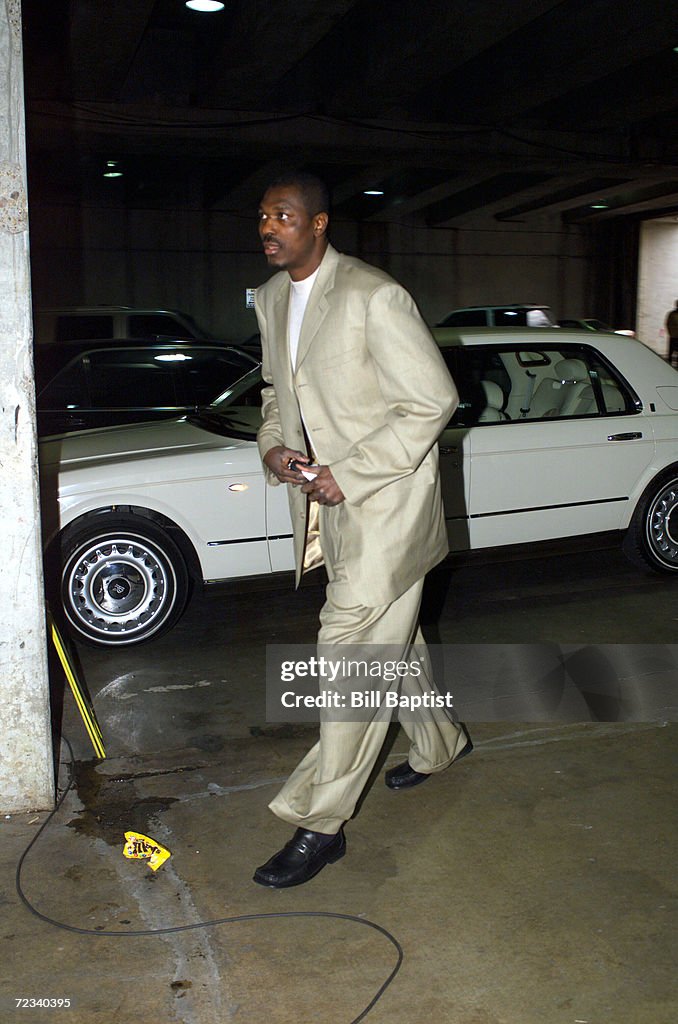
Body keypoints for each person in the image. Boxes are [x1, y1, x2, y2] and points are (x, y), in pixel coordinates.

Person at [253, 171, 472, 889]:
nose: (268, 227)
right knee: (392, 646)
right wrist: (275, 448)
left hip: (386, 510)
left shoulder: (375, 295)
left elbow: (432, 400)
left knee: (348, 656)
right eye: (262, 217)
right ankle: (438, 745)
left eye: (283, 215)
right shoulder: (273, 299)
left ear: (318, 224)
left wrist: (354, 470)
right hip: (322, 507)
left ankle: (321, 823)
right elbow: (276, 395)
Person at [665, 300, 678, 367]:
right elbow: (668, 324)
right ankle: (669, 364)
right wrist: (671, 332)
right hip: (674, 336)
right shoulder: (672, 314)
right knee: (671, 352)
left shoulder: (672, 314)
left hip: (674, 335)